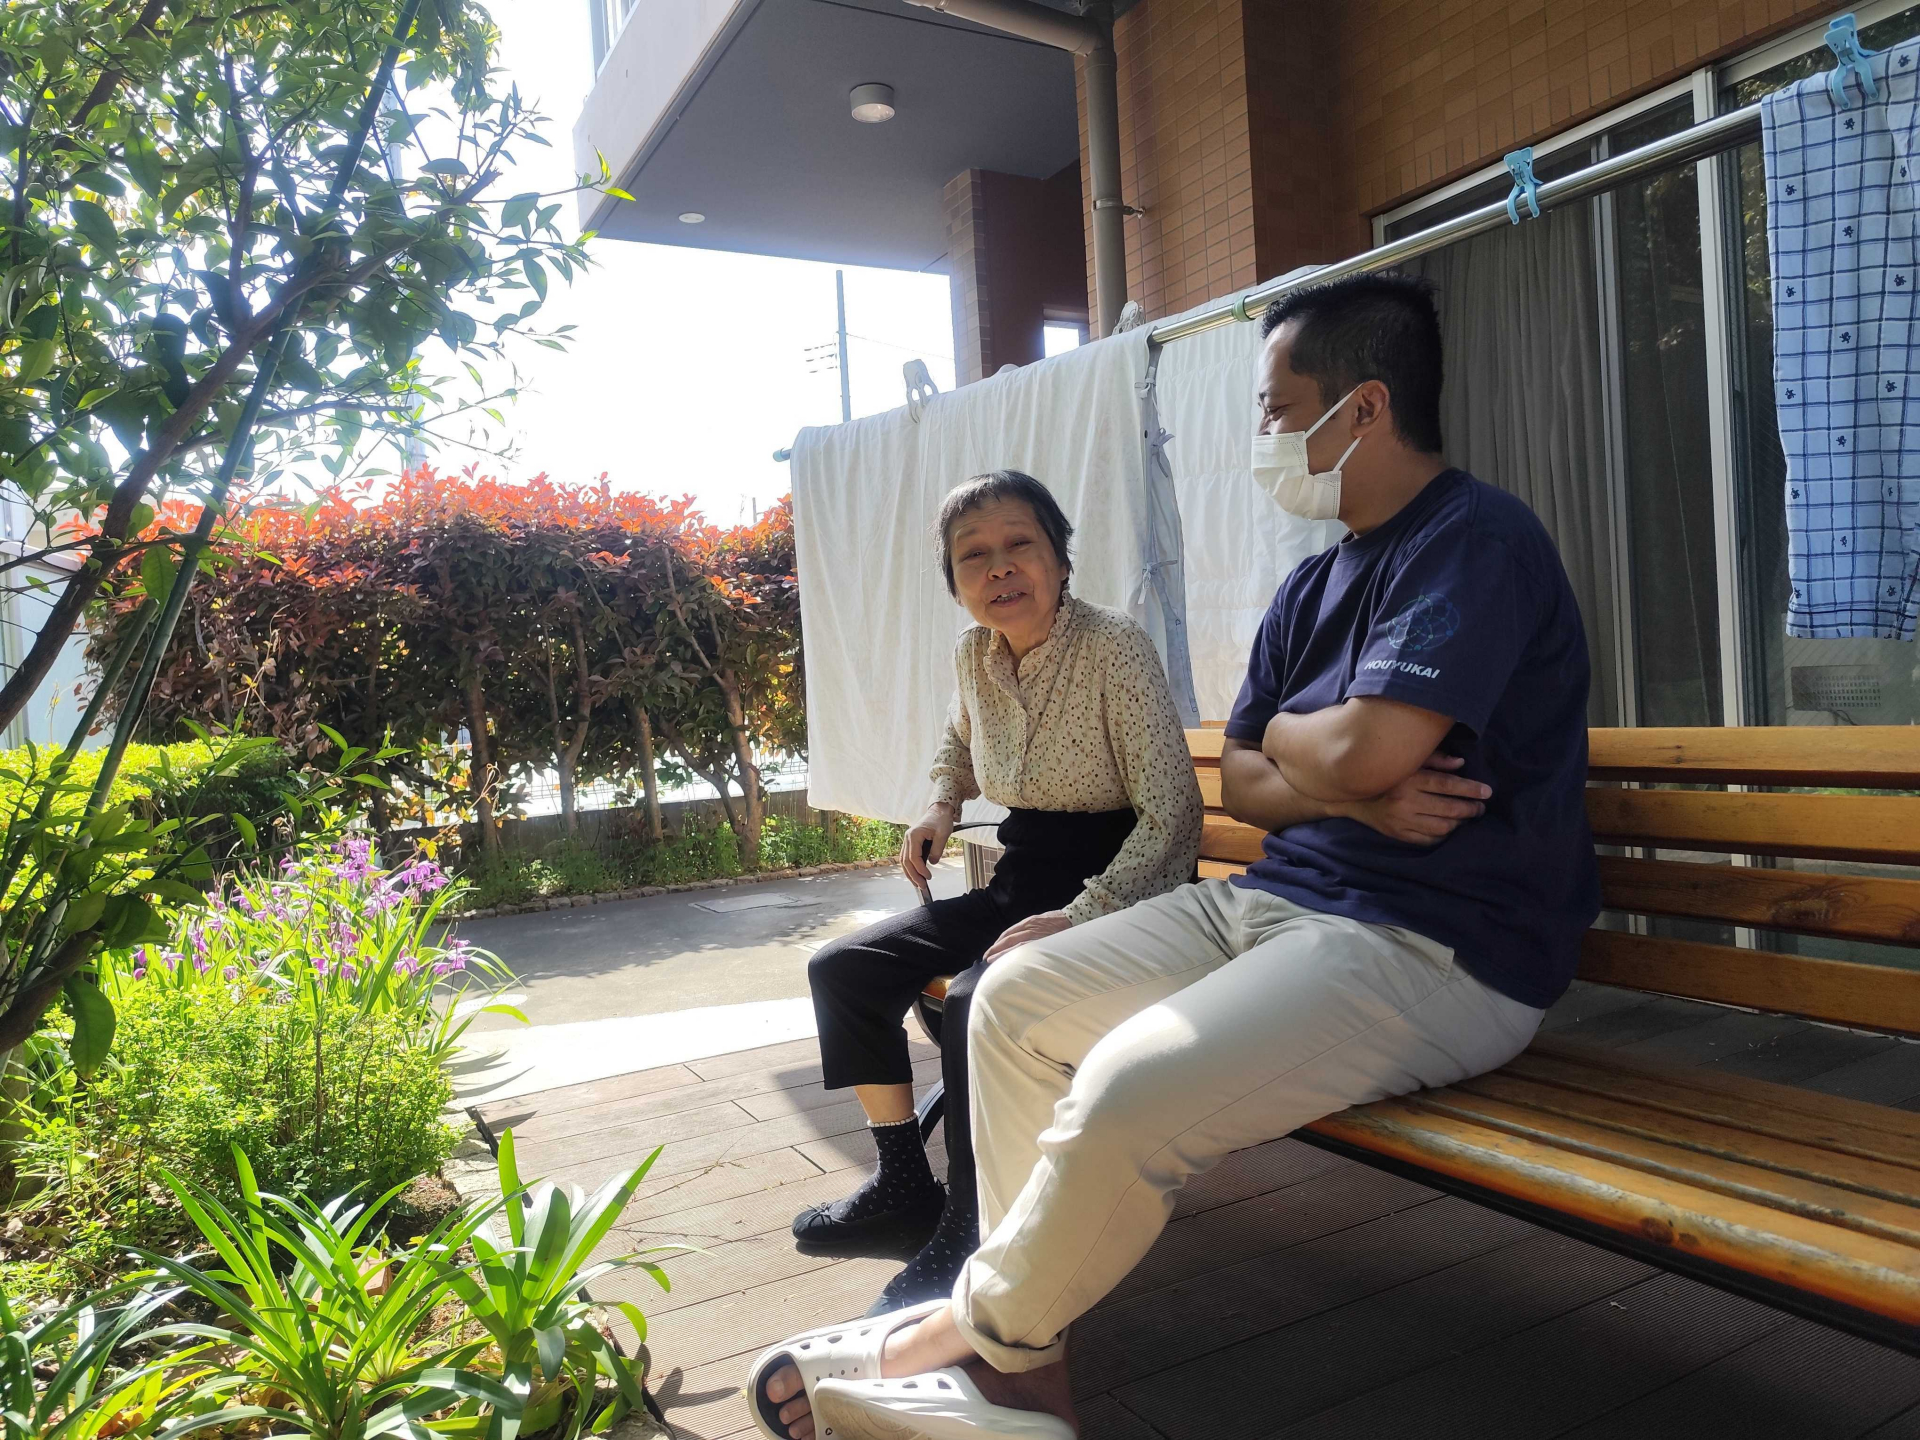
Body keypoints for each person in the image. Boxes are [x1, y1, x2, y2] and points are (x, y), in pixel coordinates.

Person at [750, 272, 1602, 1440]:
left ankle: (961, 1338)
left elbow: (1355, 747)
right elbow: (1248, 778)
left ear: (1362, 408)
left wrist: (1310, 748)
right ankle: (1026, 1369)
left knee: (1127, 1085)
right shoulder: (1314, 583)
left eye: (1275, 407)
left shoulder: (1476, 543)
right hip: (1277, 902)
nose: (1264, 435)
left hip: (1439, 944)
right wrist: (1336, 776)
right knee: (1009, 999)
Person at [792, 468, 1204, 1318]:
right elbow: (959, 739)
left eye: (1020, 543)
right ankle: (904, 1185)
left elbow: (1174, 814)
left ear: (1061, 558)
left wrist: (1084, 913)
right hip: (1021, 880)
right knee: (843, 970)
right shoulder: (973, 653)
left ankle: (972, 1225)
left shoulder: (1113, 646)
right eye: (973, 555)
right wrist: (941, 805)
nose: (999, 566)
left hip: (1121, 889)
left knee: (976, 1002)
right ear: (955, 581)